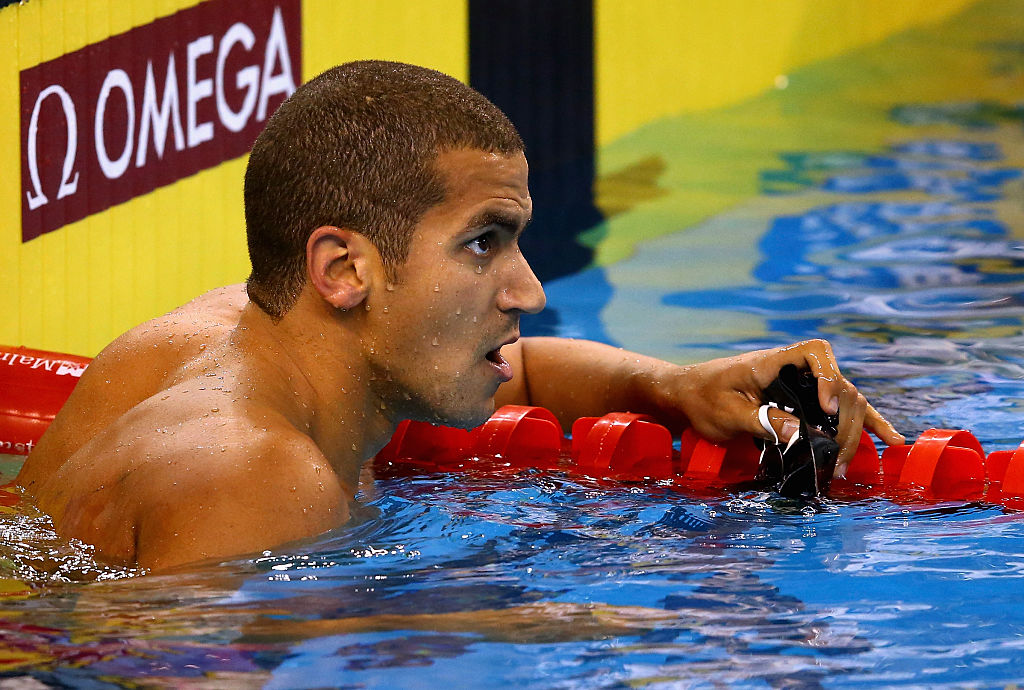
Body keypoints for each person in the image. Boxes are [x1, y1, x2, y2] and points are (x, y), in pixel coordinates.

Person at [16, 60, 903, 573]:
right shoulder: (259, 478)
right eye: (484, 244)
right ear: (343, 269)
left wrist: (666, 384)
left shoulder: (231, 332)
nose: (528, 291)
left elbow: (515, 365)